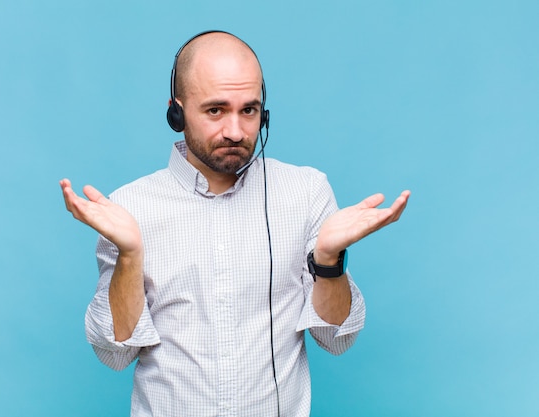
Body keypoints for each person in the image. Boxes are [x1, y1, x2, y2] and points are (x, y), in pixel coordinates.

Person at [60, 31, 410, 417]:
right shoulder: (129, 207)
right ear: (176, 113)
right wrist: (129, 256)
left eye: (249, 110)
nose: (236, 131)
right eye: (215, 110)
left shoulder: (306, 191)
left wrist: (328, 259)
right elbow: (115, 353)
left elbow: (336, 338)